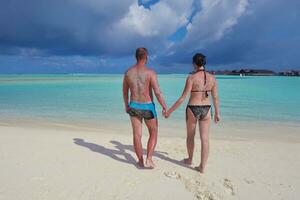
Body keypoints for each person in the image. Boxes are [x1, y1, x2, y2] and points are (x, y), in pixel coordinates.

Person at [164, 53, 220, 173]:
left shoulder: (191, 78)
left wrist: (169, 111)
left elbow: (183, 98)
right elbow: (215, 97)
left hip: (193, 108)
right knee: (205, 139)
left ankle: (190, 159)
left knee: (190, 136)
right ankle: (202, 167)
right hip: (207, 108)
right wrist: (217, 113)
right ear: (204, 63)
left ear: (194, 63)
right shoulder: (212, 78)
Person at [123, 47, 167, 168]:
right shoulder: (151, 72)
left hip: (133, 105)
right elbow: (157, 92)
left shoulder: (128, 73)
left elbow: (125, 92)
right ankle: (149, 159)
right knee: (153, 132)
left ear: (136, 57)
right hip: (148, 107)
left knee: (137, 135)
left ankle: (140, 161)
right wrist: (164, 106)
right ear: (146, 57)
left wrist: (126, 105)